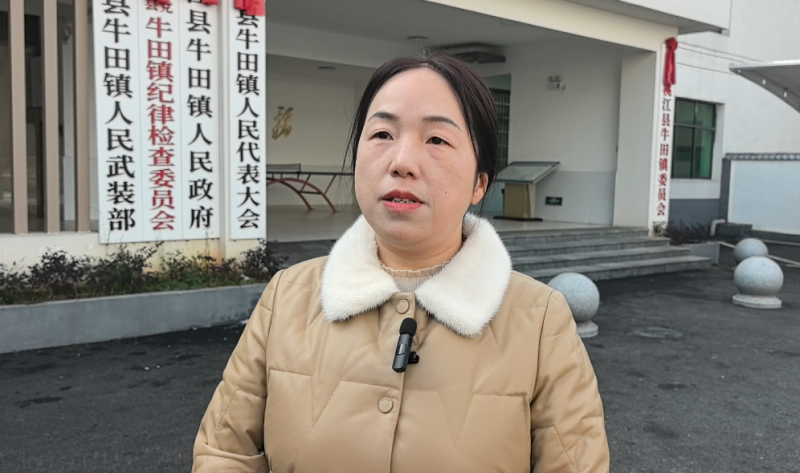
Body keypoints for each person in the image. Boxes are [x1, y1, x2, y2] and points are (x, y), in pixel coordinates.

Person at [192, 52, 610, 473]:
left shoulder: (539, 321)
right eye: (382, 134)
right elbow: (224, 454)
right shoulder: (288, 297)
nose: (402, 163)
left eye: (437, 140)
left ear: (480, 183)